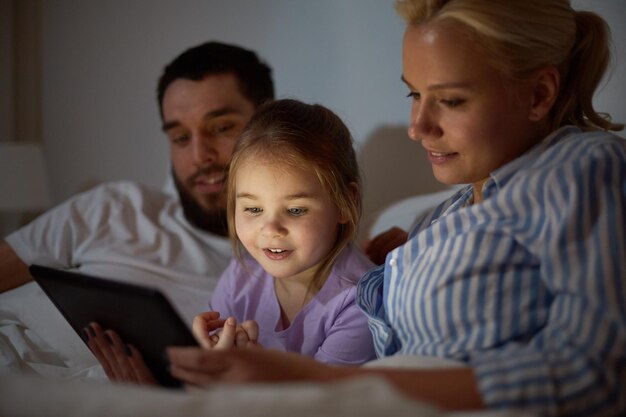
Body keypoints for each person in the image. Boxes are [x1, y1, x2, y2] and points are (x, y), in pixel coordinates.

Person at [163, 1, 626, 415]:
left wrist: (310, 379)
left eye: (449, 100)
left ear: (539, 94)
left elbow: (595, 370)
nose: (417, 126)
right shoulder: (441, 218)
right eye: (414, 95)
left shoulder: (583, 166)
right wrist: (407, 261)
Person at [85, 99, 376, 381]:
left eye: (296, 210)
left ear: (342, 204)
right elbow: (212, 378)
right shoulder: (240, 277)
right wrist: (203, 360)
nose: (270, 228)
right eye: (252, 209)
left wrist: (251, 375)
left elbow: (322, 406)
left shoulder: (359, 303)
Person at [0, 41, 274, 320]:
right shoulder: (112, 208)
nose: (199, 156)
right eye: (180, 137)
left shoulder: (283, 274)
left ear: (271, 124)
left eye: (222, 128)